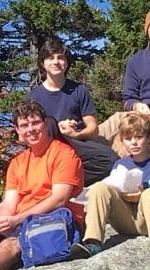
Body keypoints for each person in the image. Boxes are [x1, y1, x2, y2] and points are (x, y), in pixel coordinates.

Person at [0, 100, 84, 270]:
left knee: (13, 244)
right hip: (18, 224)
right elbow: (9, 203)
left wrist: (16, 220)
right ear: (18, 130)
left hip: (51, 223)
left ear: (45, 124)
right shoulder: (17, 163)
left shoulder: (63, 153)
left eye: (35, 123)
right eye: (24, 125)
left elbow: (59, 199)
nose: (31, 129)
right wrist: (1, 221)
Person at [71, 113, 150, 258]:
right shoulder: (120, 164)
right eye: (128, 139)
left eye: (139, 137)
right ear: (123, 141)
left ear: (148, 138)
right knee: (100, 187)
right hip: (126, 219)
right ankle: (93, 242)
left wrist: (147, 195)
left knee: (148, 194)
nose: (134, 143)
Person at [28, 37, 117, 185]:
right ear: (43, 64)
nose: (56, 62)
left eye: (60, 58)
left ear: (67, 62)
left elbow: (93, 128)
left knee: (111, 160)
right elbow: (30, 133)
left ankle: (67, 180)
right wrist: (58, 130)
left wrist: (76, 134)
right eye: (50, 58)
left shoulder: (79, 90)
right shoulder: (34, 97)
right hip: (50, 148)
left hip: (79, 145)